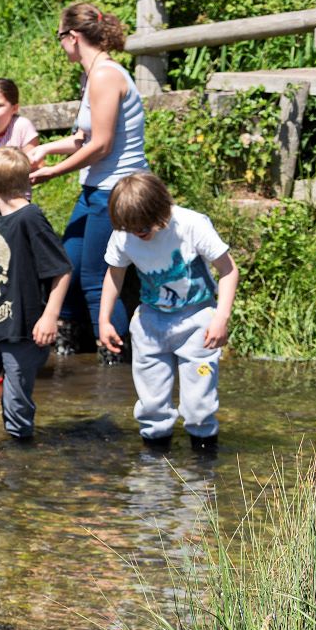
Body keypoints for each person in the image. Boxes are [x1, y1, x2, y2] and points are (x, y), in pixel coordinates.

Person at [27, 2, 146, 359]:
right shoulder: (92, 73)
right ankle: (68, 346)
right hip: (96, 187)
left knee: (96, 277)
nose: (61, 45)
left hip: (117, 190)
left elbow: (102, 144)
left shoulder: (105, 75)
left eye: (60, 37)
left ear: (73, 37)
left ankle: (115, 357)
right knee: (68, 264)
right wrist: (45, 149)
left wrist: (52, 172)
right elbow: (83, 137)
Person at [97, 171, 238, 455]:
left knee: (198, 405)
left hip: (197, 320)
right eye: (131, 229)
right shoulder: (124, 235)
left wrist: (220, 317)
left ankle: (202, 463)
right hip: (150, 321)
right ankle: (154, 468)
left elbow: (228, 270)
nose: (139, 234)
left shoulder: (192, 225)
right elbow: (114, 275)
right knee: (151, 405)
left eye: (144, 228)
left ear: (162, 209)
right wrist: (104, 319)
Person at [0, 147, 73, 447]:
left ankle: (21, 459)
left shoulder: (30, 219)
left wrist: (50, 316)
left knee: (17, 401)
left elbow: (61, 270)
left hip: (21, 328)